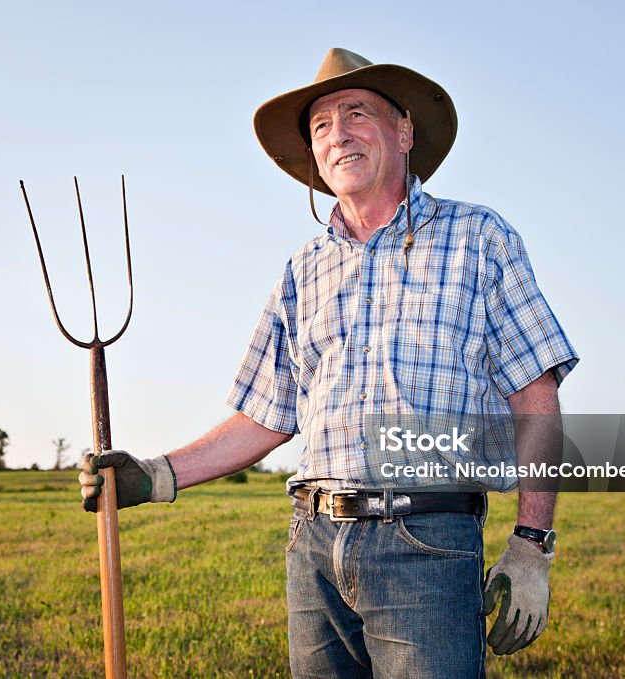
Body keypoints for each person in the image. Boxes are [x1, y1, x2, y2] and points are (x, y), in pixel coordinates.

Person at [79, 48, 579, 678]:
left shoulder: (479, 238)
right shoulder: (302, 269)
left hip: (426, 541)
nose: (336, 133)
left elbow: (535, 398)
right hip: (312, 544)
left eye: (356, 113)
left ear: (403, 131)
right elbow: (265, 417)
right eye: (320, 125)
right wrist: (154, 475)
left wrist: (531, 546)